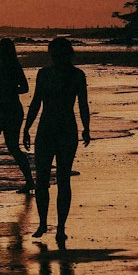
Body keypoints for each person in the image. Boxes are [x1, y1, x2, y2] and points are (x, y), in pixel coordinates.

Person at [23, 36, 90, 243]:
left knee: (63, 179)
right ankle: (43, 223)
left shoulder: (77, 75)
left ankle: (60, 227)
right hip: (45, 129)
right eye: (52, 53)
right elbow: (35, 102)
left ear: (66, 54)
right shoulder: (43, 74)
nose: (53, 57)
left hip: (66, 130)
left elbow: (83, 104)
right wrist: (26, 127)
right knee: (41, 180)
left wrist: (87, 128)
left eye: (56, 53)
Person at [0, 37, 33, 192]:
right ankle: (29, 181)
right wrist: (11, 89)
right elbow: (25, 88)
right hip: (14, 110)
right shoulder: (16, 67)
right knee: (14, 147)